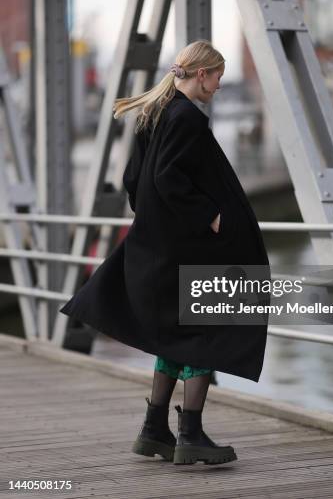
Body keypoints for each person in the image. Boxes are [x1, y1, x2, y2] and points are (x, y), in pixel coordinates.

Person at [60, 39, 270, 466]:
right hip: (188, 248)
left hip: (160, 246)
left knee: (177, 334)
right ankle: (190, 435)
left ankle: (154, 430)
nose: (218, 85)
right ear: (200, 74)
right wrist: (208, 216)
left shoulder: (156, 112)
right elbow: (167, 176)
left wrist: (155, 220)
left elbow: (135, 179)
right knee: (205, 334)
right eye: (216, 76)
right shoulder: (187, 117)